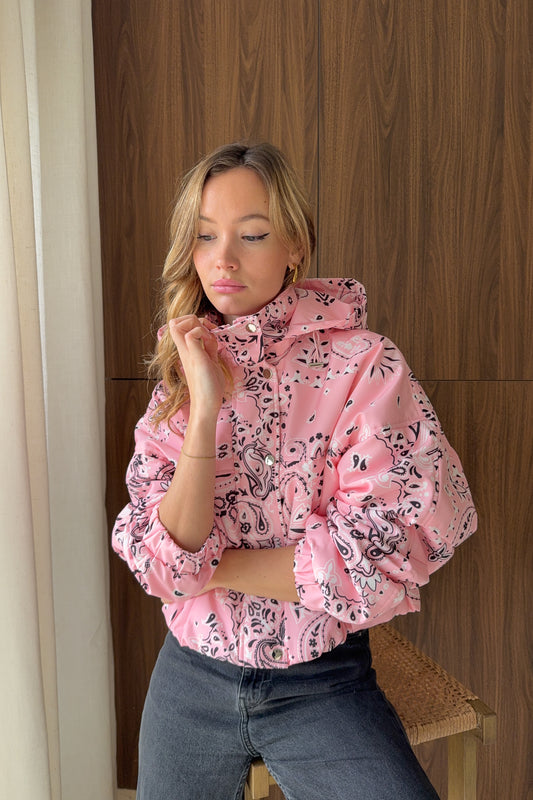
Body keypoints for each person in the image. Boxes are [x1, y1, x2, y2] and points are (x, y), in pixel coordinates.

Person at [112, 142, 477, 800]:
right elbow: (162, 561)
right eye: (205, 235)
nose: (223, 259)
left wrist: (208, 569)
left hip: (321, 679)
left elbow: (376, 551)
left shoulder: (364, 367)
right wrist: (203, 410)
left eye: (252, 235)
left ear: (295, 245)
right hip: (191, 675)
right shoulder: (184, 365)